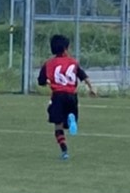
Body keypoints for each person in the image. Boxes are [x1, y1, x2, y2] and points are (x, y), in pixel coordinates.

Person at [37, 33, 97, 161]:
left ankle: (64, 152)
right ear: (65, 48)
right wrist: (91, 88)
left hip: (58, 96)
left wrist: (48, 81)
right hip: (71, 95)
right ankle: (71, 118)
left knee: (58, 126)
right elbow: (83, 76)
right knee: (69, 120)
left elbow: (41, 81)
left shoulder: (49, 64)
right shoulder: (73, 62)